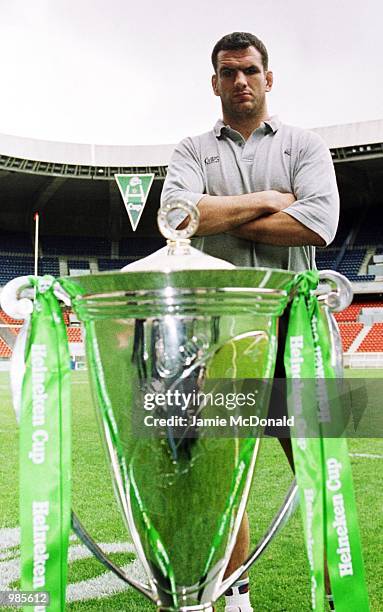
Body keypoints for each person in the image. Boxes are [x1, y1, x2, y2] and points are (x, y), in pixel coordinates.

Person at [161, 32, 339, 612]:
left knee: (318, 471)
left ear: (269, 77)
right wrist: (269, 198)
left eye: (251, 71)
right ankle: (234, 597)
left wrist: (223, 217)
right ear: (214, 81)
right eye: (229, 72)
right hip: (222, 336)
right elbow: (179, 217)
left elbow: (319, 225)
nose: (241, 81)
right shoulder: (191, 149)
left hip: (297, 335)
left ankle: (336, 588)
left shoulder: (305, 144)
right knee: (223, 478)